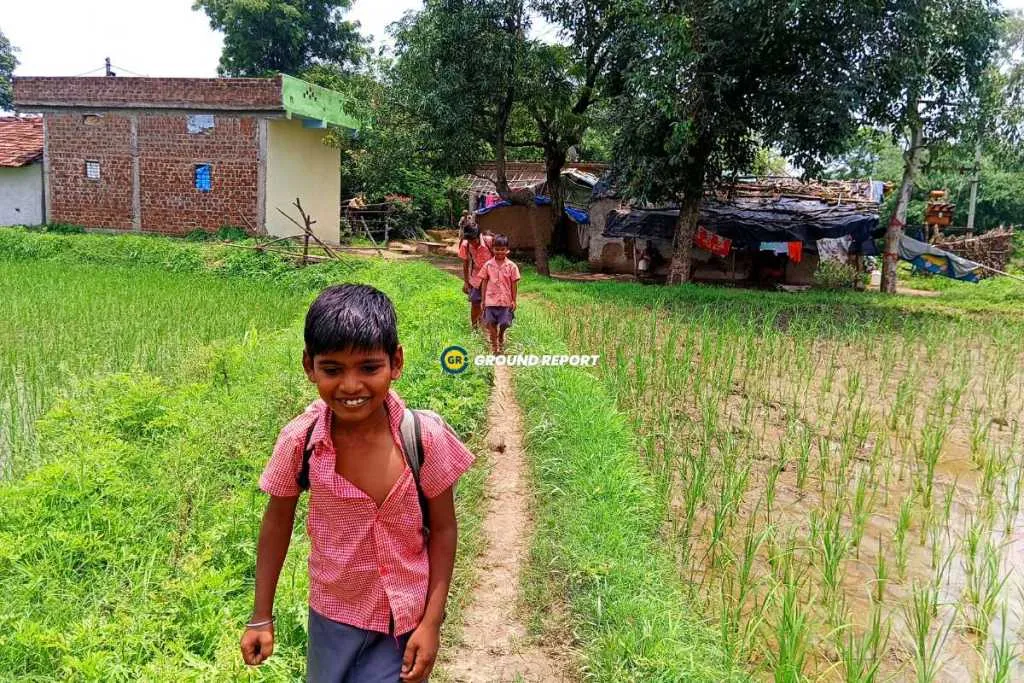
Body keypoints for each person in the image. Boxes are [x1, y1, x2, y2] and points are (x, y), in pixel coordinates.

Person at [240, 284, 475, 683]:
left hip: (404, 622)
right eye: (332, 369)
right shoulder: (302, 441)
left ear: (395, 362)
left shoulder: (423, 437)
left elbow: (445, 529)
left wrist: (432, 622)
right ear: (309, 366)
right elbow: (276, 524)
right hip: (333, 617)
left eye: (369, 367)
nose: (351, 386)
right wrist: (261, 615)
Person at [478, 234, 520, 354]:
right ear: (493, 249)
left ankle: (501, 334)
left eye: (502, 249)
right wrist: (483, 300)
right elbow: (484, 282)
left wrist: (514, 300)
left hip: (505, 301)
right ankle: (495, 346)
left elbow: (513, 284)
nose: (500, 252)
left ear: (507, 250)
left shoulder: (512, 266)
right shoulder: (488, 265)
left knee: (505, 323)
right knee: (491, 323)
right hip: (490, 300)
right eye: (497, 249)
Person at [458, 225, 494, 329]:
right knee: (475, 302)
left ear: (479, 236)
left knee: (489, 304)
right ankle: (474, 327)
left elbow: (500, 256)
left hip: (491, 277)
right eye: (469, 240)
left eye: (473, 240)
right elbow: (465, 263)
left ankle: (488, 327)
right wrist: (466, 282)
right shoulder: (466, 245)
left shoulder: (490, 241)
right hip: (476, 277)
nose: (472, 243)